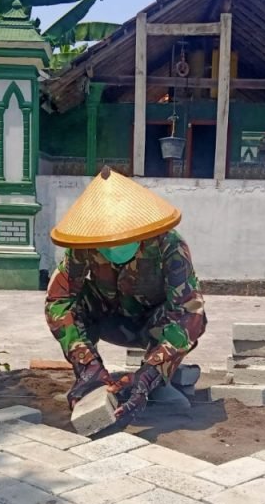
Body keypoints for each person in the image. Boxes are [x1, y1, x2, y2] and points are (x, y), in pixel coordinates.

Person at [45, 166, 207, 421]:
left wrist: (148, 375)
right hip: (112, 320)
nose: (112, 246)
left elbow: (189, 312)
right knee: (69, 303)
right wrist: (86, 364)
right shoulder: (83, 246)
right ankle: (91, 378)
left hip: (154, 325)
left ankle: (156, 380)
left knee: (190, 313)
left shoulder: (169, 245)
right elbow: (59, 300)